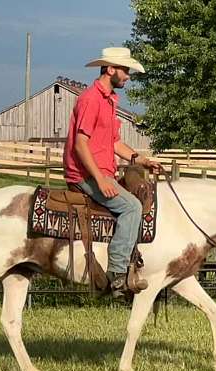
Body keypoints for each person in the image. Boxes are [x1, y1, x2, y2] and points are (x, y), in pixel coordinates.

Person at [63, 47, 161, 296]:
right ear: (110, 69)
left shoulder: (108, 100)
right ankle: (117, 274)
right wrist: (99, 179)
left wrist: (142, 159)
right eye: (125, 70)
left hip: (101, 171)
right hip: (85, 174)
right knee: (132, 207)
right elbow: (80, 144)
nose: (128, 76)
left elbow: (114, 143)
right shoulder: (90, 99)